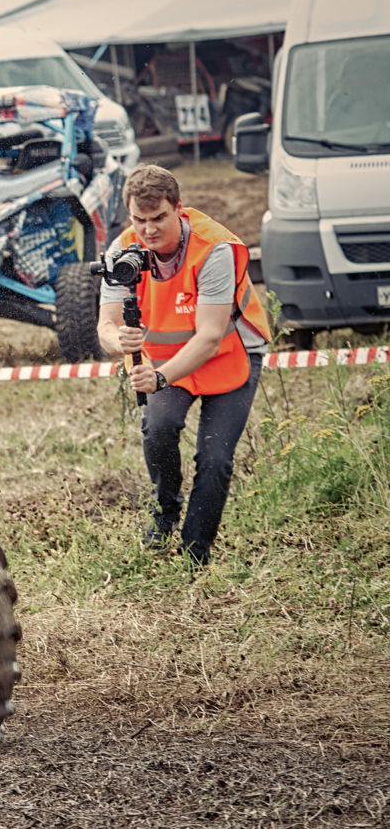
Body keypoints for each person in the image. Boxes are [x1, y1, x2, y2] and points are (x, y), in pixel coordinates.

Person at [96, 164, 271, 567]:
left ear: (178, 208)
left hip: (229, 355)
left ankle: (195, 552)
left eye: (159, 218)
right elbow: (106, 325)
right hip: (166, 360)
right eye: (139, 220)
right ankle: (165, 511)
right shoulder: (122, 251)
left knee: (214, 458)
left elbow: (209, 337)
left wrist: (159, 378)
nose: (148, 230)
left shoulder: (214, 249)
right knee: (158, 428)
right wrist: (118, 341)